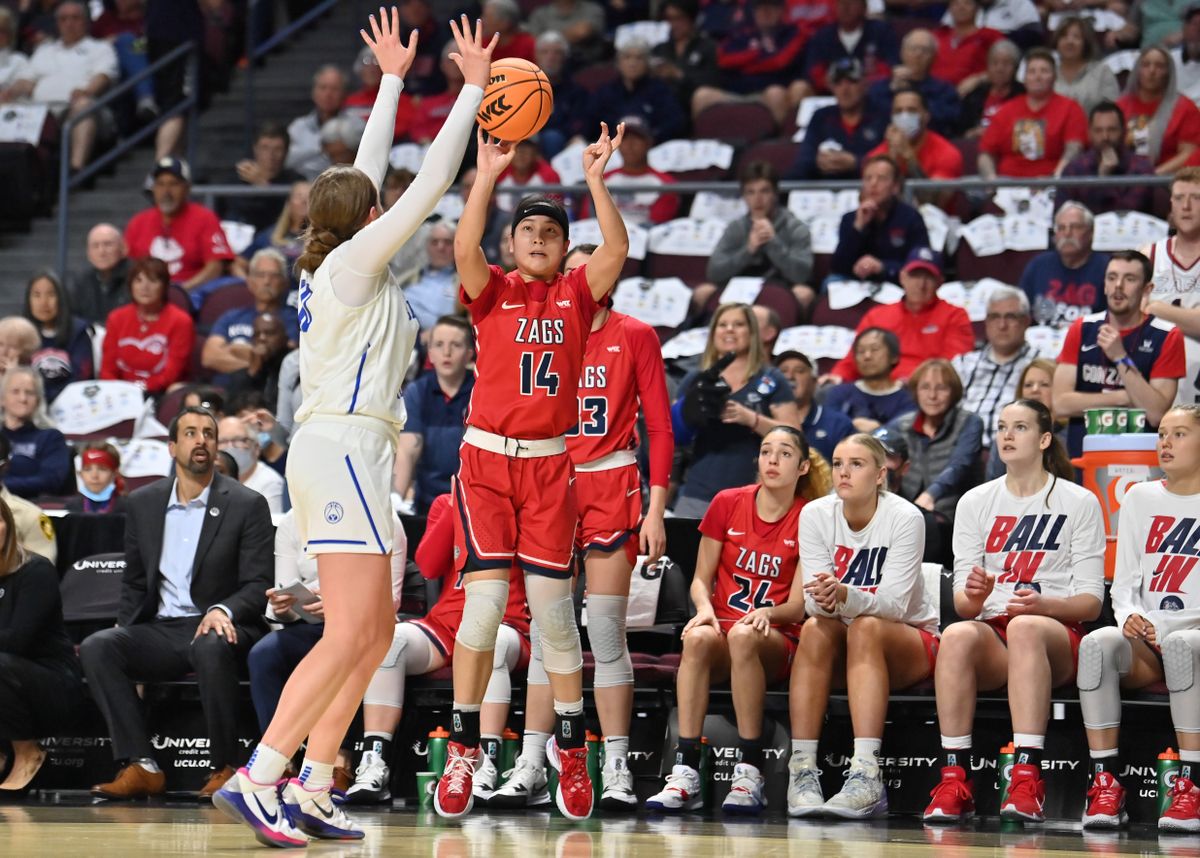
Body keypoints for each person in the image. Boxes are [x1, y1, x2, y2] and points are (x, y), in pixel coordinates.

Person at [215, 13, 495, 847]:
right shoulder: (352, 262)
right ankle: (261, 774)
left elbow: (367, 175)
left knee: (372, 632)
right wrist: (473, 87)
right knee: (348, 632)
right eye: (377, 205)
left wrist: (392, 83)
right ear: (366, 217)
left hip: (354, 451)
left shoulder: (338, 252)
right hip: (339, 449)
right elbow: (427, 182)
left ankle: (312, 782)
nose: (385, 207)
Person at [436, 110, 632, 822]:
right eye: (529, 233)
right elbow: (463, 247)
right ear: (513, 245)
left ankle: (571, 749)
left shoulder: (580, 296)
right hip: (487, 461)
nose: (541, 240)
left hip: (551, 468)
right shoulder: (493, 292)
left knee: (554, 621)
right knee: (485, 610)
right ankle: (464, 749)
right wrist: (485, 178)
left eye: (552, 233)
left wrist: (595, 180)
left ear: (563, 248)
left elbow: (618, 245)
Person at [513, 241, 672, 812]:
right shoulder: (542, 330)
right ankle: (532, 761)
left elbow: (660, 427)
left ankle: (617, 763)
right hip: (550, 481)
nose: (582, 279)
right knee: (550, 633)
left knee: (604, 634)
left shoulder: (636, 335)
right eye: (573, 270)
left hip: (611, 482)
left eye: (591, 269)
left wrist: (655, 508)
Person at [922, 399, 1104, 823]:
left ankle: (1026, 777)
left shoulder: (1078, 502)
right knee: (957, 634)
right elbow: (967, 608)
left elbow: (1092, 603)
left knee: (1025, 625)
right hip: (997, 632)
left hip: (1056, 634)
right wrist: (975, 591)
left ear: (1043, 440)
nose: (1006, 435)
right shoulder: (974, 501)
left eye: (1019, 427)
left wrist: (1046, 606)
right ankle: (954, 778)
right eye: (1002, 427)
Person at [79, 407, 273, 800]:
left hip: (226, 625)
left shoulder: (245, 503)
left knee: (209, 643)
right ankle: (141, 765)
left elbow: (258, 584)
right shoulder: (143, 503)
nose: (200, 440)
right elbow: (135, 581)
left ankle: (226, 766)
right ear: (172, 447)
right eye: (190, 433)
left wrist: (224, 610)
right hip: (164, 628)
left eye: (208, 433)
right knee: (100, 647)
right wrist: (124, 628)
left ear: (216, 446)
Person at [648, 426, 829, 813]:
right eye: (766, 452)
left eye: (783, 454)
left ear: (801, 467)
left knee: (745, 636)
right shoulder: (727, 502)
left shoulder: (809, 517)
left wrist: (767, 612)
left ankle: (749, 771)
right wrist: (704, 609)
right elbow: (700, 579)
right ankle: (685, 771)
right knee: (696, 639)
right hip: (724, 627)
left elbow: (798, 605)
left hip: (775, 637)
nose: (772, 461)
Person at [786, 433, 937, 818]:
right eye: (838, 463)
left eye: (857, 464)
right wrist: (822, 598)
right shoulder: (815, 514)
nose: (844, 472)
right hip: (847, 639)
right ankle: (801, 770)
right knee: (814, 629)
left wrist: (845, 596)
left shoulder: (905, 518)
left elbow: (896, 605)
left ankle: (867, 773)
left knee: (866, 626)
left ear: (881, 475)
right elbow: (812, 598)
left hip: (909, 640)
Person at [345, 494, 524, 806]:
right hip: (448, 625)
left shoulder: (527, 504)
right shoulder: (446, 502)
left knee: (490, 644)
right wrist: (460, 503)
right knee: (389, 641)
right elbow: (427, 565)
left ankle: (485, 764)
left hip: (507, 622)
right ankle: (375, 762)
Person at [1076, 404, 1200, 832]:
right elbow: (1124, 583)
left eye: (1179, 434)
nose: (1165, 442)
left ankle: (1191, 784)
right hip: (1149, 639)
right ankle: (1105, 782)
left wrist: (1179, 627)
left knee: (1185, 645)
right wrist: (1129, 616)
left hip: (1195, 637)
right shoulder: (1139, 497)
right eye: (1162, 433)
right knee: (1097, 646)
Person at [248, 509, 406, 797]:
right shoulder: (291, 523)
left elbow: (390, 600)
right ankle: (280, 763)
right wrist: (283, 607)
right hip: (309, 623)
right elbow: (283, 592)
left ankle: (336, 761)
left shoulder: (385, 519)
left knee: (352, 652)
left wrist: (338, 602)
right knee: (264, 653)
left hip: (363, 624)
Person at [672, 303, 801, 517]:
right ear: (713, 334)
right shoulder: (696, 379)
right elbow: (669, 433)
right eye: (722, 325)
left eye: (738, 324)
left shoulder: (772, 379)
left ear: (752, 333)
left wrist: (751, 418)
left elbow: (795, 436)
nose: (729, 329)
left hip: (753, 495)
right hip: (697, 494)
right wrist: (688, 413)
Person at [1053, 251, 1185, 457]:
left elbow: (1156, 413)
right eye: (1112, 278)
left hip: (1141, 457)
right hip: (1084, 456)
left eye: (1130, 279)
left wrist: (1120, 357)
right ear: (1105, 284)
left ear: (1147, 289)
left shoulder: (1167, 335)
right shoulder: (1082, 328)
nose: (1118, 286)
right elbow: (1060, 404)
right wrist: (1125, 397)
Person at [0, 497, 82, 793]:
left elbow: (18, 640)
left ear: (8, 526)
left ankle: (27, 752)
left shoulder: (36, 571)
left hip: (52, 682)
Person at [825, 248, 974, 385]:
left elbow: (953, 365)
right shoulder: (878, 315)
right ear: (902, 277)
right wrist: (838, 376)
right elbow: (855, 358)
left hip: (927, 390)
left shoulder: (955, 315)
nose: (921, 284)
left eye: (928, 277)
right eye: (915, 276)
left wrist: (916, 382)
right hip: (878, 388)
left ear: (940, 282)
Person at [7, 0, 117, 173]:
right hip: (41, 110)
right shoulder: (44, 51)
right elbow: (27, 80)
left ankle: (76, 169)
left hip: (77, 107)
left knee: (84, 105)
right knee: (9, 107)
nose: (69, 23)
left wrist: (87, 91)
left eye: (75, 18)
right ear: (57, 23)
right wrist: (11, 91)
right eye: (64, 19)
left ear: (86, 21)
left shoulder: (100, 48)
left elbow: (103, 76)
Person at [701, 161, 814, 315]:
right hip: (739, 288)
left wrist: (773, 242)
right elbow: (714, 273)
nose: (758, 199)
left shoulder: (795, 227)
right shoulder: (736, 228)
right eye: (751, 192)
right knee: (704, 292)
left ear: (775, 194)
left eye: (764, 191)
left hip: (780, 288)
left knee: (804, 293)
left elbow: (802, 275)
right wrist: (748, 250)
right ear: (744, 196)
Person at [885, 359, 984, 529]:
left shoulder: (970, 422)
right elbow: (871, 450)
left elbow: (959, 465)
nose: (932, 396)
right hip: (905, 513)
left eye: (941, 388)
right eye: (925, 387)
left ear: (954, 392)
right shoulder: (902, 424)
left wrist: (931, 495)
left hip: (952, 516)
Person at [395, 315, 475, 515]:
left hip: (471, 504)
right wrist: (395, 499)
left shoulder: (481, 392)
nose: (446, 352)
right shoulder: (417, 392)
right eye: (439, 344)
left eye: (455, 345)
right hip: (426, 506)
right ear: (430, 353)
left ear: (470, 353)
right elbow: (407, 451)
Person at [124, 157, 235, 292]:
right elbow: (128, 265)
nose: (166, 191)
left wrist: (181, 291)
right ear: (153, 189)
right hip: (148, 295)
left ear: (187, 188)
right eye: (160, 184)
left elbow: (215, 267)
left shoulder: (205, 218)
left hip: (193, 294)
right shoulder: (138, 222)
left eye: (173, 184)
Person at [692, 0, 806, 126]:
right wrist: (758, 53)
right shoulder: (740, 34)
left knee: (775, 93)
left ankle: (777, 143)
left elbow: (780, 62)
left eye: (772, 7)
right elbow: (723, 61)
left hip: (768, 92)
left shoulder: (792, 33)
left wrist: (745, 64)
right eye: (760, 8)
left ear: (782, 10)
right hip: (736, 93)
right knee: (702, 95)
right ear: (753, 11)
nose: (765, 12)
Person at [978, 48, 1087, 179]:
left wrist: (1056, 178)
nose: (1038, 77)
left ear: (1054, 77)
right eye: (1032, 71)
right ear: (1024, 78)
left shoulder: (1071, 108)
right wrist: (992, 181)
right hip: (1007, 186)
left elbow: (1074, 149)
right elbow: (985, 152)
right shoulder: (1006, 110)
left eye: (1044, 71)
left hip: (1051, 184)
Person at [952, 286, 1040, 446]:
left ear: (1026, 321)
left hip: (1011, 450)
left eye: (1010, 317)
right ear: (986, 322)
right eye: (994, 317)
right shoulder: (963, 364)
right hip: (960, 449)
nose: (1002, 325)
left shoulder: (1039, 365)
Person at [1142, 167, 1200, 406]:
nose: (1186, 206)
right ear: (1171, 205)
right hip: (1156, 382)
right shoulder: (1148, 255)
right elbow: (1130, 319)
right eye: (1179, 198)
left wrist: (1156, 308)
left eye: (1196, 198)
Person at [98, 256, 194, 395]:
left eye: (153, 280)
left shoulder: (181, 321)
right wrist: (120, 391)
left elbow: (170, 375)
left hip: (162, 393)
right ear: (131, 285)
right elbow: (107, 370)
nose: (145, 287)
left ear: (165, 286)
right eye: (138, 280)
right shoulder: (116, 318)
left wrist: (138, 389)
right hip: (120, 394)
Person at [829, 155, 931, 284]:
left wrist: (882, 267)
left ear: (895, 187)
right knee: (831, 282)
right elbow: (838, 267)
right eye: (868, 178)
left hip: (896, 283)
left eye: (881, 178)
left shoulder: (910, 218)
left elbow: (920, 264)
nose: (873, 184)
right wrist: (858, 227)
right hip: (857, 285)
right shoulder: (850, 219)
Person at [201, 249, 298, 384]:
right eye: (260, 275)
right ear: (250, 282)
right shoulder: (231, 317)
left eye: (274, 275)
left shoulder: (293, 320)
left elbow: (282, 361)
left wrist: (233, 349)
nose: (267, 281)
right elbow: (209, 357)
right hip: (224, 390)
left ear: (284, 282)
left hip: (265, 393)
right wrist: (254, 364)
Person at [788, 58, 886, 181]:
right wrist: (817, 162)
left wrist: (856, 163)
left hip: (870, 185)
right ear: (831, 87)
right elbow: (805, 157)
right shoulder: (821, 117)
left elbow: (889, 160)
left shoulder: (882, 116)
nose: (844, 90)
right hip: (824, 187)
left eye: (851, 81)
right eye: (838, 83)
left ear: (864, 84)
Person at [1017, 202, 1109, 330]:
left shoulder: (1107, 269)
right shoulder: (1038, 265)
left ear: (1090, 233)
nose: (1067, 233)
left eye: (1075, 227)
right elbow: (1020, 311)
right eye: (1061, 228)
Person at [864, 88, 962, 209]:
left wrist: (909, 157)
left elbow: (933, 203)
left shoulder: (947, 153)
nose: (904, 116)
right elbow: (874, 204)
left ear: (926, 116)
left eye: (912, 111)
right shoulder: (876, 156)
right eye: (898, 111)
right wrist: (891, 159)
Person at [578, 116, 680, 228]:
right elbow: (587, 221)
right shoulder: (602, 178)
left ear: (649, 142)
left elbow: (657, 227)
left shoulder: (666, 183)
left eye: (637, 138)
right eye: (624, 138)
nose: (630, 144)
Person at [1060, 102, 1156, 218]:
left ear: (1123, 131)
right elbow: (1061, 217)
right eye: (1098, 130)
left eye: (1112, 130)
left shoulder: (1141, 168)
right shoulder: (1074, 170)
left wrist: (1104, 180)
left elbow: (1127, 216)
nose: (1105, 137)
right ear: (1089, 133)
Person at [1118, 46, 1200, 175]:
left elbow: (1189, 154)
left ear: (1168, 72)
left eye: (1159, 66)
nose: (1152, 71)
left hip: (1165, 181)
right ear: (1137, 70)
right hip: (1123, 178)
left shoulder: (1185, 108)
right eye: (1146, 65)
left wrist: (1153, 176)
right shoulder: (1119, 106)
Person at [866, 29, 961, 137]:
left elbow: (948, 119)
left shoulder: (945, 90)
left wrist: (912, 90)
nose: (918, 54)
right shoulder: (882, 88)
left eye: (925, 50)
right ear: (902, 53)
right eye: (913, 48)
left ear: (934, 57)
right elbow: (870, 114)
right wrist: (891, 90)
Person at [823, 328, 916, 432]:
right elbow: (828, 430)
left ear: (894, 357)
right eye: (861, 351)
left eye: (875, 349)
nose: (867, 356)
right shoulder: (838, 393)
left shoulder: (908, 399)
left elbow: (905, 437)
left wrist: (879, 430)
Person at [594, 39, 685, 143]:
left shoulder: (660, 91)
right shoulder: (606, 93)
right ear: (618, 63)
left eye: (639, 58)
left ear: (647, 63)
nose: (633, 63)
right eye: (627, 57)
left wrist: (651, 138)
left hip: (652, 147)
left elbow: (675, 122)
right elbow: (592, 123)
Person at [219, 122, 306, 232]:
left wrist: (262, 185)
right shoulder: (235, 179)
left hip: (279, 238)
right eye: (265, 148)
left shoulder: (296, 181)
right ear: (255, 149)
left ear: (286, 151)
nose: (271, 154)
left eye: (277, 149)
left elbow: (286, 215)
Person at [23, 270, 94, 403]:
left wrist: (50, 397)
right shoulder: (20, 333)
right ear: (28, 300)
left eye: (51, 294)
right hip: (29, 403)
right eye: (36, 295)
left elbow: (82, 376)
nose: (44, 302)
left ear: (61, 298)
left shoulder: (79, 331)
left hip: (72, 403)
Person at [0, 367, 69, 500]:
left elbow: (51, 481)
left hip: (33, 507)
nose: (23, 398)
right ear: (2, 399)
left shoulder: (51, 438)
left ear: (38, 401)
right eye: (15, 391)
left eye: (29, 393)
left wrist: (3, 485)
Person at [802, 0, 898, 95]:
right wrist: (831, 83)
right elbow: (813, 70)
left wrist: (865, 82)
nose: (845, 8)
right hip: (828, 93)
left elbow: (891, 66)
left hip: (872, 94)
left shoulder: (881, 31)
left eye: (851, 3)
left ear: (864, 8)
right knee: (800, 88)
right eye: (841, 3)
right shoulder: (823, 35)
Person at [775, 350, 854, 462]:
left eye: (799, 371)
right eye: (783, 371)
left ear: (814, 383)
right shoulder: (760, 419)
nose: (789, 376)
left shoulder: (838, 424)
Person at [651, 0, 721, 120]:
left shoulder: (708, 47)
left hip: (691, 108)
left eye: (678, 18)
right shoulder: (659, 49)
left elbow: (712, 83)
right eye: (669, 19)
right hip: (660, 109)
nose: (673, 24)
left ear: (691, 18)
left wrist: (679, 75)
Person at [286, 65, 349, 180]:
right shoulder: (298, 127)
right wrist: (322, 149)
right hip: (304, 188)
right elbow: (285, 160)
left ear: (344, 94)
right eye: (323, 88)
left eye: (334, 89)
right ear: (314, 92)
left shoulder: (356, 126)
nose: (328, 94)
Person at [217, 415, 284, 515]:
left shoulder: (270, 482)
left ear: (256, 448)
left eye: (239, 440)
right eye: (222, 441)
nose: (230, 446)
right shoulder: (209, 480)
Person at [1053, 16, 1119, 115]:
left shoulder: (1102, 72)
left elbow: (1113, 112)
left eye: (1076, 37)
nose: (1070, 41)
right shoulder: (1048, 73)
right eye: (1064, 36)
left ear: (1085, 43)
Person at [959, 39, 1023, 139]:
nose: (999, 69)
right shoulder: (975, 94)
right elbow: (960, 131)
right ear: (987, 67)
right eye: (994, 63)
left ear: (1015, 68)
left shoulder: (1023, 95)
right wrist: (971, 133)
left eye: (1006, 64)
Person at [931, 0, 1001, 92]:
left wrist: (979, 79)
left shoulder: (990, 35)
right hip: (932, 93)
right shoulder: (937, 35)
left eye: (967, 3)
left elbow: (1003, 67)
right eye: (956, 3)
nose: (961, 7)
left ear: (977, 8)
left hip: (972, 94)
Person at [70, 223, 131, 325]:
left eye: (108, 244)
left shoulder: (136, 278)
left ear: (124, 248)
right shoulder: (81, 282)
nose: (101, 252)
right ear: (88, 253)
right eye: (95, 246)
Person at [64, 441, 126, 514]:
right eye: (87, 469)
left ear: (115, 473)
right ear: (81, 474)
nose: (94, 476)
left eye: (102, 469)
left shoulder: (127, 506)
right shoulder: (72, 506)